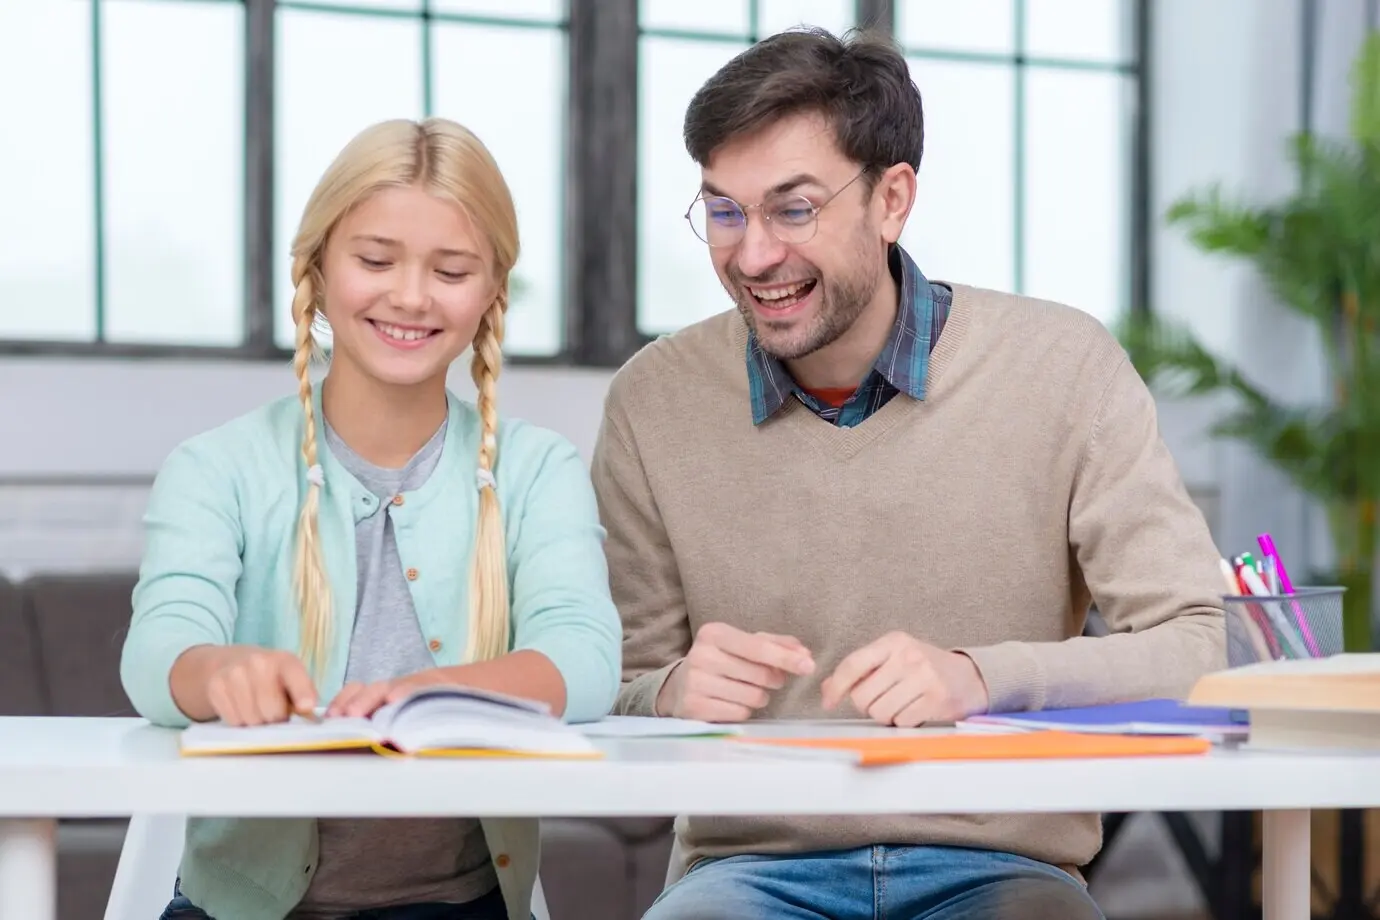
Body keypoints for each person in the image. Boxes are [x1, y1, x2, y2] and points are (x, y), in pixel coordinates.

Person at [591, 26, 1226, 920]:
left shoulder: (1064, 369)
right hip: (746, 873)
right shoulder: (654, 400)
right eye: (725, 212)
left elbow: (1199, 647)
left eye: (793, 210)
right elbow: (608, 686)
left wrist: (980, 678)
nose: (753, 255)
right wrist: (667, 692)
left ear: (891, 200)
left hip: (1003, 867)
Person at [121, 117, 622, 920]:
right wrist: (219, 672)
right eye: (376, 260)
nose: (411, 296)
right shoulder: (215, 468)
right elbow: (155, 654)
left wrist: (431, 698)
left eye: (451, 270)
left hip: (463, 906)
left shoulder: (537, 471)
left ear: (492, 289)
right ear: (318, 268)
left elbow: (586, 659)